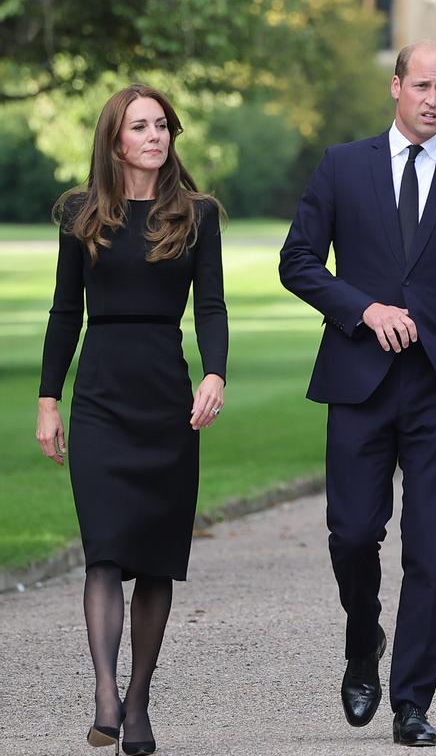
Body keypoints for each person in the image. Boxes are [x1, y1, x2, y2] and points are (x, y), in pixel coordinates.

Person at [279, 40, 436, 747]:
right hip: (359, 379)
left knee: (431, 551)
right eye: (421, 86)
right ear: (396, 87)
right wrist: (362, 309)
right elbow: (297, 262)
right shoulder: (343, 166)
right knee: (353, 534)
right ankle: (363, 638)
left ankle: (412, 701)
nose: (433, 99)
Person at [35, 83, 228, 755]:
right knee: (106, 551)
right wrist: (48, 400)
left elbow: (212, 307)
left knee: (154, 561)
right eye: (140, 126)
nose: (155, 136)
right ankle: (106, 695)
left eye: (163, 126)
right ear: (115, 139)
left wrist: (214, 372)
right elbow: (65, 312)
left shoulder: (197, 215)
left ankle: (139, 703)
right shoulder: (81, 214)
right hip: (100, 400)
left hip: (165, 401)